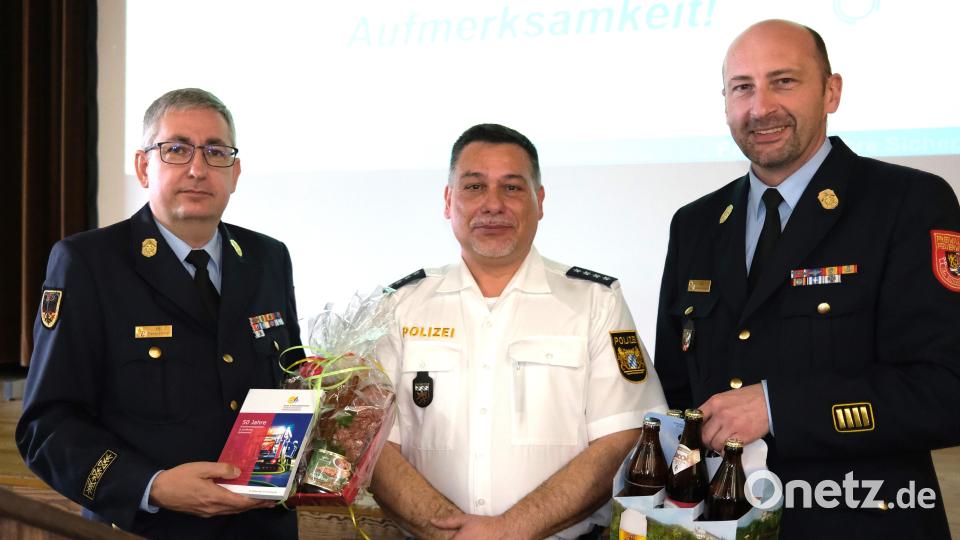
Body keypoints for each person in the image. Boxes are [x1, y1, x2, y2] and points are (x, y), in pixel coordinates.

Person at [654, 19, 960, 538]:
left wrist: (776, 407)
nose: (760, 107)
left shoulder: (908, 203)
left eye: (784, 81)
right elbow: (675, 391)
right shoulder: (696, 223)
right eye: (742, 87)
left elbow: (946, 391)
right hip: (720, 524)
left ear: (831, 91)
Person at [17, 88, 302, 538]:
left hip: (262, 528)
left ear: (236, 171)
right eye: (176, 149)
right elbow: (47, 427)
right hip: (148, 528)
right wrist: (152, 486)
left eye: (216, 152)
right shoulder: (89, 263)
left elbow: (291, 387)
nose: (197, 168)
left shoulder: (267, 258)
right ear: (143, 166)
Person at [370, 123, 667, 539]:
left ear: (539, 200)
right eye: (474, 187)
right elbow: (374, 442)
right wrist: (452, 533)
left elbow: (624, 436)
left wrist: (511, 529)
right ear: (448, 199)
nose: (493, 204)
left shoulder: (597, 302)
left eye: (512, 188)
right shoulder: (399, 305)